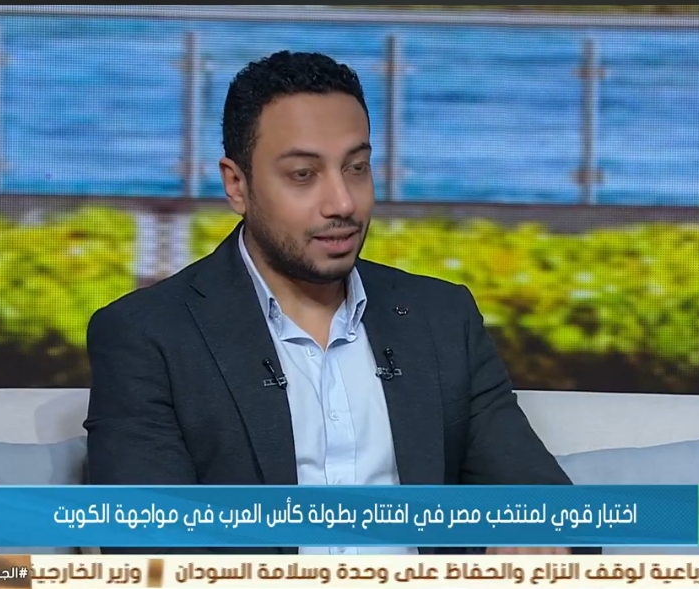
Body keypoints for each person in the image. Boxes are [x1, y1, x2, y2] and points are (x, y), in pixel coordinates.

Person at [84, 50, 600, 557]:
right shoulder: (147, 335)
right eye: (303, 175)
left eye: (356, 168)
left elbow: (554, 510)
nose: (343, 203)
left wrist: (541, 541)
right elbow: (148, 548)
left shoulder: (441, 319)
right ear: (237, 185)